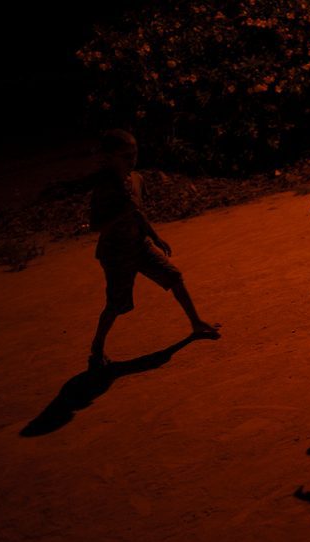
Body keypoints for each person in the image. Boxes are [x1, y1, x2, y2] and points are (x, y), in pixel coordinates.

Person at [88, 129, 220, 370]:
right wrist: (120, 214)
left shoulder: (136, 179)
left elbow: (138, 213)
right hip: (115, 253)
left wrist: (154, 236)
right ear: (109, 158)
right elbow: (96, 225)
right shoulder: (104, 189)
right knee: (117, 304)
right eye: (125, 156)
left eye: (134, 154)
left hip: (140, 245)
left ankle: (196, 323)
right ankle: (97, 348)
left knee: (174, 277)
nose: (132, 160)